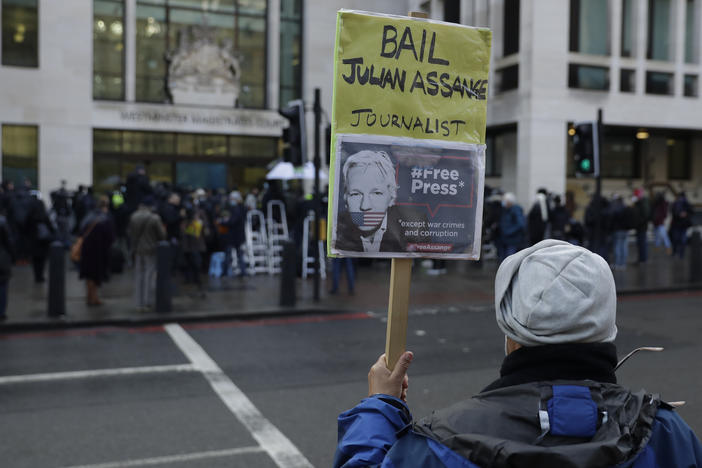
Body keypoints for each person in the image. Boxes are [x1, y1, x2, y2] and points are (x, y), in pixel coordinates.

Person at [334, 240, 702, 467]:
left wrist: (381, 405)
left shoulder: (442, 442)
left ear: (511, 335)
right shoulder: (666, 436)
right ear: (607, 327)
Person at [334, 150, 426, 253]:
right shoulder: (337, 230)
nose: (365, 206)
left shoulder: (414, 225)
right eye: (356, 194)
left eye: (376, 193)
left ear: (392, 197)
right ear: (345, 198)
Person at [127, 196, 165, 310]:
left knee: (139, 276)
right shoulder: (155, 218)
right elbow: (162, 235)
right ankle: (147, 301)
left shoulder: (133, 216)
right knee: (149, 276)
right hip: (151, 249)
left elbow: (130, 233)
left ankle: (139, 303)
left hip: (138, 249)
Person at [78, 196, 115, 306]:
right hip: (99, 251)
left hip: (87, 250)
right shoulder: (105, 218)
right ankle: (94, 298)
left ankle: (89, 297)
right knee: (96, 275)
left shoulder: (89, 216)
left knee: (89, 275)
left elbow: (81, 230)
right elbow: (110, 236)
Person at [26, 191, 56, 283]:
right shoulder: (44, 216)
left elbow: (25, 226)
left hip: (34, 240)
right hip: (43, 241)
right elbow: (51, 227)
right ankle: (40, 276)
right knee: (42, 260)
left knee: (35, 260)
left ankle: (37, 276)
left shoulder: (30, 216)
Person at [496, 192, 525, 260]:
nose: (503, 202)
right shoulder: (505, 210)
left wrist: (508, 232)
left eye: (505, 201)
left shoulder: (516, 210)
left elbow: (521, 224)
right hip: (504, 239)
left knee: (510, 259)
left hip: (512, 240)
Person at [0, 210, 15, 320]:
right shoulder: (2, 222)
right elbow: (9, 241)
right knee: (2, 285)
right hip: (2, 257)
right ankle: (1, 312)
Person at [670, 191, 693, 259]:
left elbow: (691, 211)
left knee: (682, 240)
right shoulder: (676, 204)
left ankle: (680, 254)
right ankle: (676, 252)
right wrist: (679, 214)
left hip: (683, 225)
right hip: (677, 225)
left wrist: (685, 214)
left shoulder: (686, 204)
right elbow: (673, 212)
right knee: (676, 239)